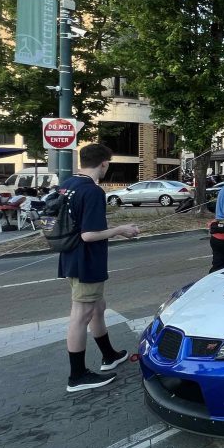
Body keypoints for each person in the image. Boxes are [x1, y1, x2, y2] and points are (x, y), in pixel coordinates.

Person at [58, 144, 140, 392]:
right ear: (104, 163)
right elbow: (89, 234)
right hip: (87, 261)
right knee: (81, 315)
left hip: (70, 257)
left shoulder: (68, 184)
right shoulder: (93, 191)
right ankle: (77, 376)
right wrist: (120, 230)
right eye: (108, 163)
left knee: (97, 308)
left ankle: (109, 355)